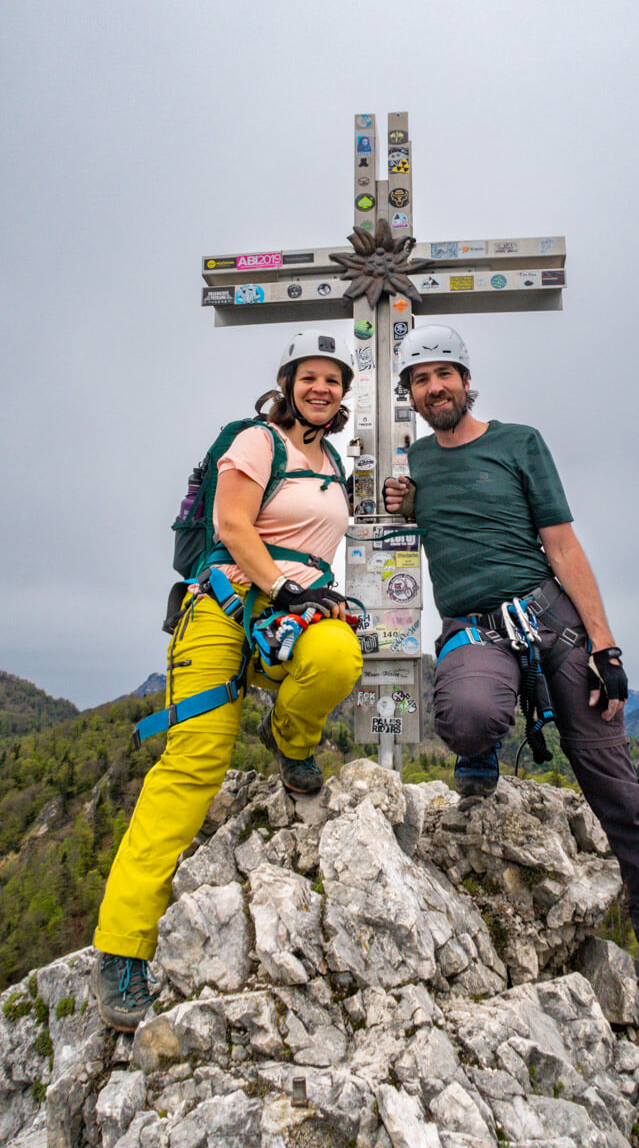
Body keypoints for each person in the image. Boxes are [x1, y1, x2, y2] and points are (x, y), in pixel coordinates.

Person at [384, 324, 639, 1050]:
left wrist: (606, 646)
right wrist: (406, 501)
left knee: (620, 792)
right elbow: (425, 510)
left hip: (552, 619)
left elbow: (562, 544)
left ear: (466, 382)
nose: (435, 387)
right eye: (421, 379)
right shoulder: (413, 462)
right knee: (471, 712)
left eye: (445, 374)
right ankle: (478, 747)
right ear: (410, 395)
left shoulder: (520, 442)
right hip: (475, 627)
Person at [92, 330, 363, 1031]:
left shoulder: (333, 462)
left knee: (339, 660)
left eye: (332, 380)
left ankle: (291, 738)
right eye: (309, 377)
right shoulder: (256, 440)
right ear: (288, 381)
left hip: (296, 614)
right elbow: (232, 524)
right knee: (191, 764)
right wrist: (281, 587)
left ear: (343, 394)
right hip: (227, 606)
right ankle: (121, 948)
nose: (321, 389)